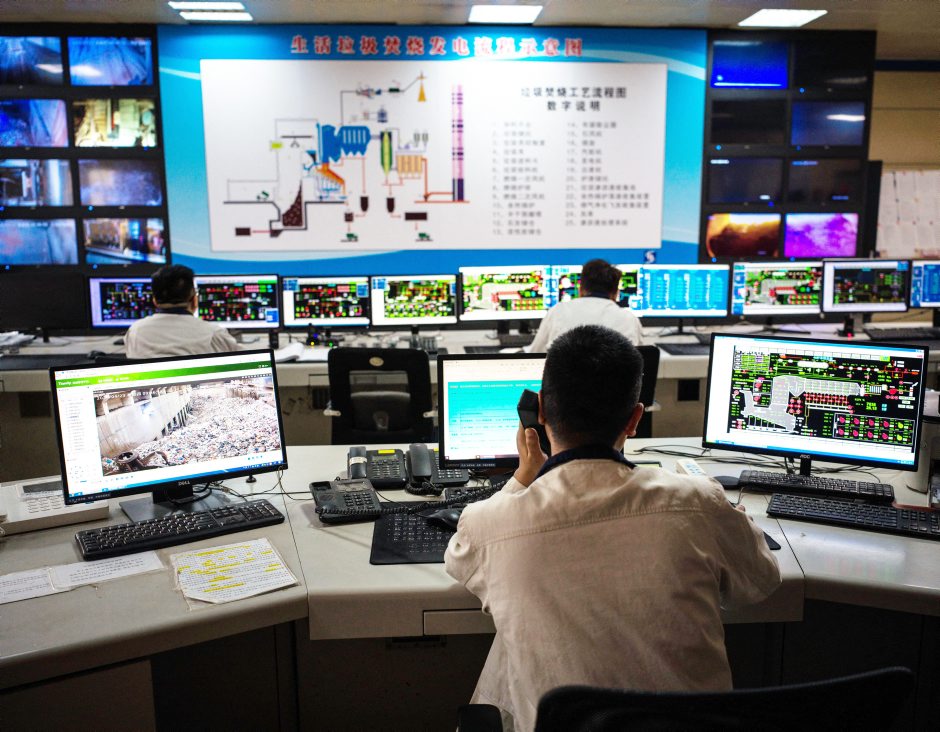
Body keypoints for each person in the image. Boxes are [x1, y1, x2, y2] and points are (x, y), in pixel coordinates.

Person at [445, 325, 781, 732]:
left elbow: (460, 559)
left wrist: (524, 475)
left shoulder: (489, 522)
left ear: (541, 412)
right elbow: (760, 582)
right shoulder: (698, 502)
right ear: (635, 418)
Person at [528, 259, 643, 353]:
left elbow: (535, 353)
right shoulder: (629, 319)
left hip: (565, 375)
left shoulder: (557, 312)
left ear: (581, 289)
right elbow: (641, 360)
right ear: (615, 293)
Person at [126, 264, 239, 358]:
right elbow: (244, 360)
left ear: (154, 301)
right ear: (194, 299)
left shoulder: (135, 331)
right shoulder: (213, 334)